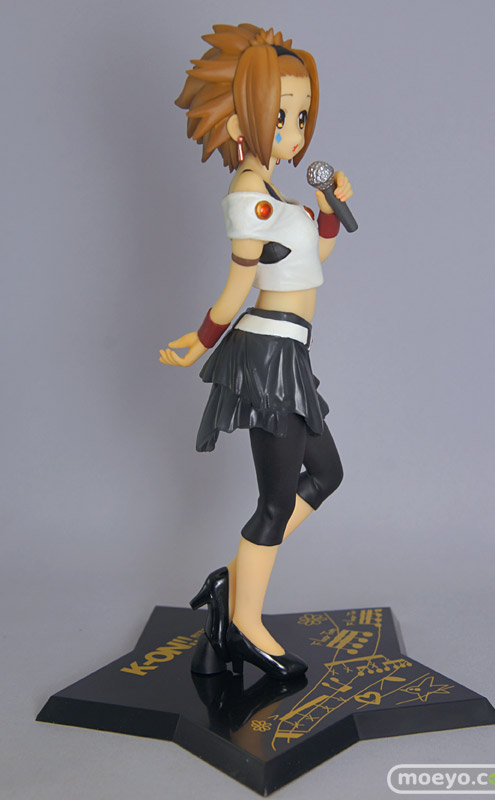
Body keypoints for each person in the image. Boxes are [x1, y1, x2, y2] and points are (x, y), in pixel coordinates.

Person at [159, 24, 353, 680]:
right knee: (275, 502)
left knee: (325, 475)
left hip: (288, 353)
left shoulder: (271, 191)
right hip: (267, 356)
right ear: (243, 119)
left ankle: (230, 583)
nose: (294, 131)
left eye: (300, 115)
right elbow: (238, 283)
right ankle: (243, 622)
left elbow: (310, 258)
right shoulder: (248, 195)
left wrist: (328, 208)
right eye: (280, 115)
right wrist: (201, 339)